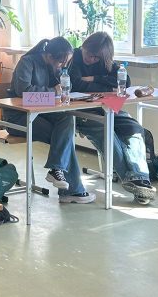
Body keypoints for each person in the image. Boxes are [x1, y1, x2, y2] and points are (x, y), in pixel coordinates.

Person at [68, 32, 155, 202]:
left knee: (134, 128)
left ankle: (141, 179)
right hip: (83, 112)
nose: (91, 59)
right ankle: (137, 184)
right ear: (84, 47)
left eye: (96, 57)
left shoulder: (103, 60)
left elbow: (125, 82)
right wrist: (106, 85)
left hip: (109, 108)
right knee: (108, 133)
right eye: (89, 54)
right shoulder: (74, 58)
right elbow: (76, 84)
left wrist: (93, 78)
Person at [8, 37, 95, 204]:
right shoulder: (27, 62)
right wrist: (53, 91)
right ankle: (71, 190)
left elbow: (60, 90)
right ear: (49, 56)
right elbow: (23, 92)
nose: (63, 66)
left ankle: (58, 172)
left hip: (41, 114)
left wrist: (61, 89)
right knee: (64, 139)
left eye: (66, 63)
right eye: (61, 62)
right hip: (18, 117)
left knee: (67, 118)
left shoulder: (55, 68)